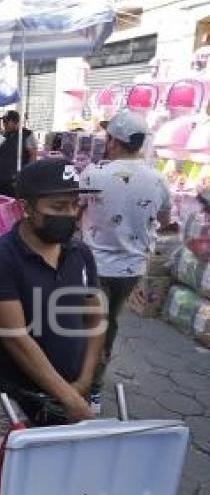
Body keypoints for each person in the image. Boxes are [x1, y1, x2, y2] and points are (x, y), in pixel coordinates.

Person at [0, 158, 104, 495]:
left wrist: (84, 382)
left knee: (56, 474)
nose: (69, 215)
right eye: (57, 207)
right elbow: (16, 339)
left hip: (73, 389)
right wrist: (69, 397)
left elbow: (95, 318)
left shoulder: (81, 254)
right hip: (14, 394)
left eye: (74, 205)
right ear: (25, 207)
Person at [79, 110, 172, 411]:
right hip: (131, 269)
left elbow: (73, 210)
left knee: (84, 325)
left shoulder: (93, 174)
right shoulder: (158, 180)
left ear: (113, 141)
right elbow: (165, 219)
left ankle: (78, 383)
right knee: (108, 325)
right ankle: (93, 390)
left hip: (92, 264)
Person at [0, 110, 38, 198]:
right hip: (1, 177)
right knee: (0, 201)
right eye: (3, 122)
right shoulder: (3, 134)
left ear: (15, 122)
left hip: (16, 178)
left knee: (14, 202)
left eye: (6, 122)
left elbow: (33, 154)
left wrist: (27, 174)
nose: (4, 124)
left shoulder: (27, 134)